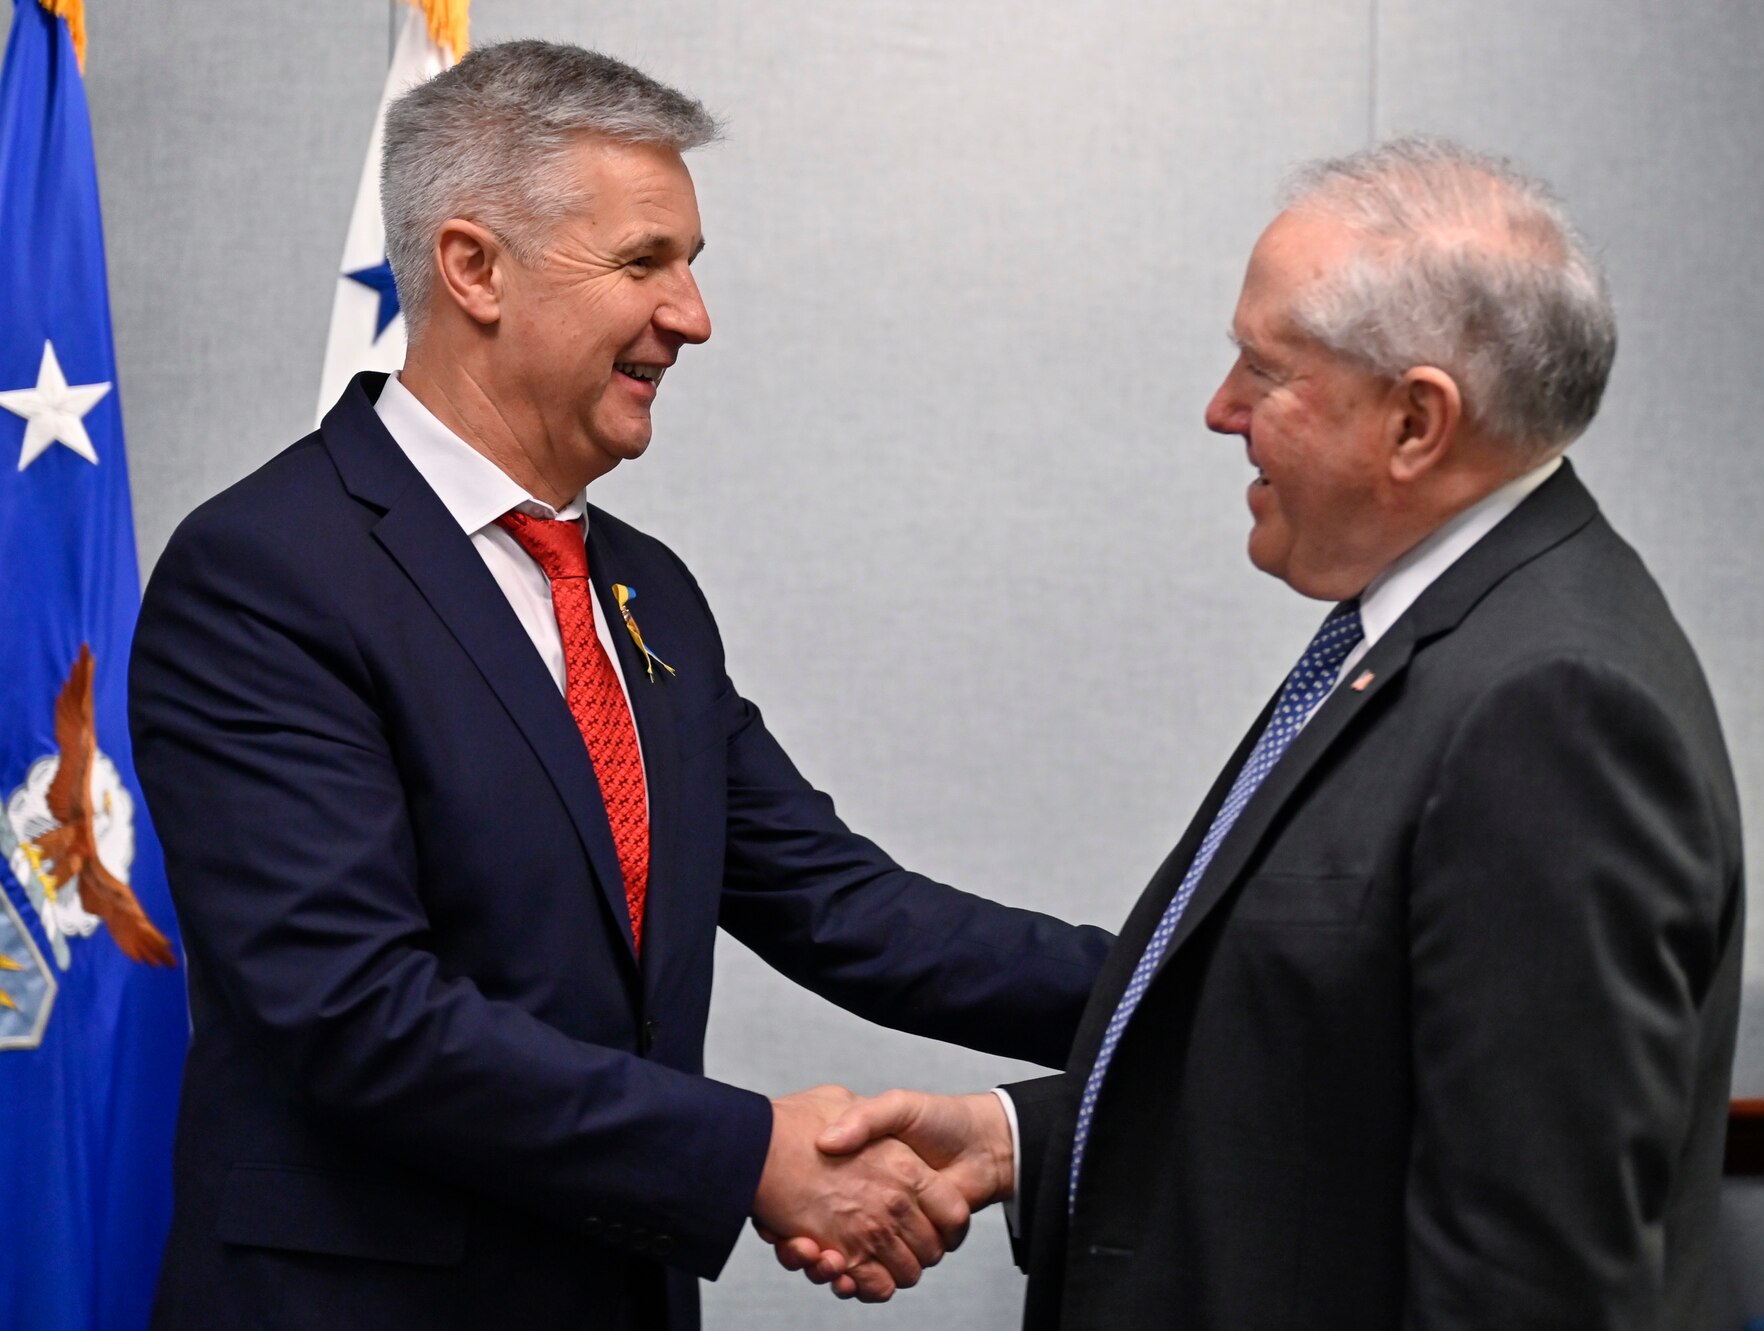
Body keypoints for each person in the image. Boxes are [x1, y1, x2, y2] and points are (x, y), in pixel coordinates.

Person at [128, 41, 1110, 1331]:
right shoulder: (264, 571)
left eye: (691, 264)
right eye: (645, 262)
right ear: (474, 267)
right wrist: (747, 1152)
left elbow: (837, 903)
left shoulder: (641, 588)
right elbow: (355, 1010)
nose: (692, 314)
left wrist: (1182, 989)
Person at [782, 139, 1745, 1329]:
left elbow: (1529, 1275)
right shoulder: (1442, 631)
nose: (1219, 410)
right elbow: (1332, 1064)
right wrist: (1023, 1135)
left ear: (1413, 422)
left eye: (1261, 368)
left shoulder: (1547, 707)